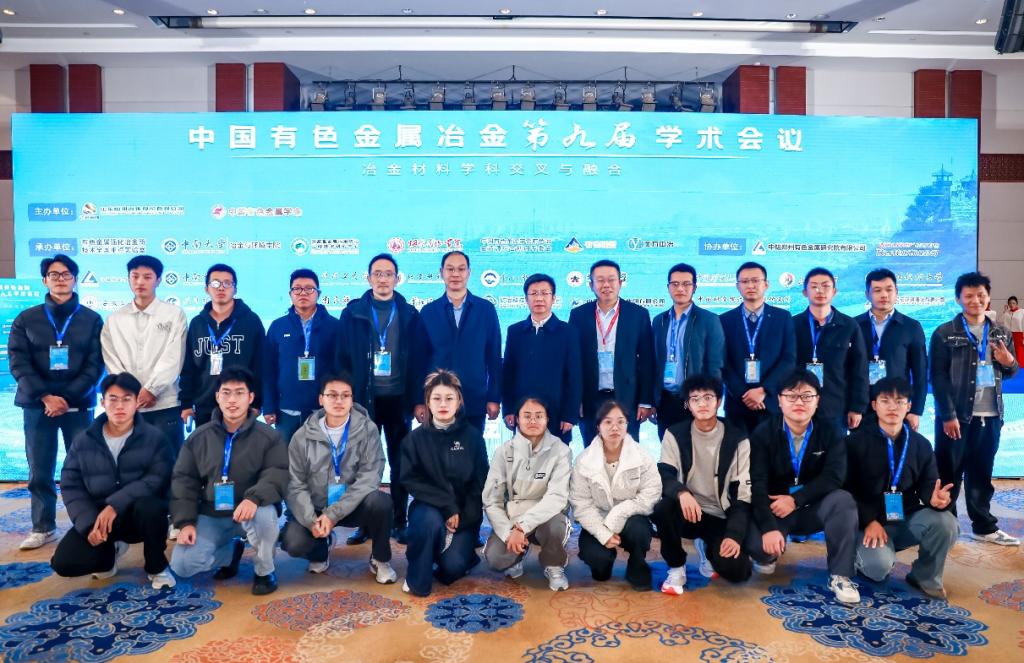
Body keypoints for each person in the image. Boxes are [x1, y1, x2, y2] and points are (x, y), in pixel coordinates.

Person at [7, 254, 103, 551]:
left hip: (78, 405)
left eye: (66, 274)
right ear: (44, 280)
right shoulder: (26, 319)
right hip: (38, 406)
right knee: (40, 468)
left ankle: (87, 524)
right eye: (54, 274)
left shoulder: (91, 319)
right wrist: (46, 396)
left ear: (75, 279)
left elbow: (95, 365)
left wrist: (67, 398)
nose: (60, 279)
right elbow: (18, 362)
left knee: (86, 467)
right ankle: (43, 526)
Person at [169, 366, 288, 595]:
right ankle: (231, 553)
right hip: (213, 514)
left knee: (265, 518)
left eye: (239, 393)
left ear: (250, 397)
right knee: (182, 565)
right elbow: (184, 481)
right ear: (217, 397)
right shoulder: (198, 438)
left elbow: (277, 473)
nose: (232, 400)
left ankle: (264, 571)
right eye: (226, 393)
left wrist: (254, 498)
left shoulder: (269, 436)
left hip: (253, 511)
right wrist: (185, 522)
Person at [50, 373, 176, 589]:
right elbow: (72, 486)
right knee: (64, 563)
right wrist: (89, 525)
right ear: (102, 402)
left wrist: (115, 505)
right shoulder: (84, 441)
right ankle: (109, 554)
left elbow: (157, 478)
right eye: (113, 399)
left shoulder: (155, 438)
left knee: (152, 507)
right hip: (100, 517)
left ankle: (156, 567)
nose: (119, 406)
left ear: (137, 402)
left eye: (127, 399)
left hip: (138, 515)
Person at [745, 370, 860, 604]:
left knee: (843, 500)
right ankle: (768, 555)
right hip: (776, 509)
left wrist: (796, 499)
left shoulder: (830, 431)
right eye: (791, 396)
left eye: (807, 396)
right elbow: (757, 483)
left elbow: (834, 476)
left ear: (817, 400)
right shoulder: (763, 433)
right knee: (760, 547)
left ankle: (841, 575)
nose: (799, 402)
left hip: (811, 508)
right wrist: (768, 527)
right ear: (779, 400)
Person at [336, 253, 426, 546]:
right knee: (363, 464)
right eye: (377, 273)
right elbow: (342, 358)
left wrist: (418, 400)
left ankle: (399, 521)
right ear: (368, 278)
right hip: (365, 400)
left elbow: (418, 361)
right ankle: (365, 522)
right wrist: (346, 398)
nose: (383, 279)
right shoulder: (352, 313)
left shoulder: (410, 314)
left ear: (397, 279)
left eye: (388, 274)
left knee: (401, 463)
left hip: (399, 399)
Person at [847, 377, 959, 599]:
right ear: (874, 405)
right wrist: (869, 520)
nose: (892, 407)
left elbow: (929, 482)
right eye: (885, 400)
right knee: (878, 569)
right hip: (866, 524)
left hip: (904, 518)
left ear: (909, 406)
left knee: (946, 523)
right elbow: (845, 489)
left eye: (899, 401)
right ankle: (856, 555)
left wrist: (934, 498)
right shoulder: (855, 443)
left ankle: (925, 576)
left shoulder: (920, 444)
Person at [930, 271, 1020, 546]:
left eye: (981, 295)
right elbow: (938, 377)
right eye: (968, 295)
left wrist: (1008, 361)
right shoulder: (945, 333)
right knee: (949, 472)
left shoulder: (1001, 332)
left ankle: (983, 527)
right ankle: (946, 528)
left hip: (991, 415)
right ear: (958, 298)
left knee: (981, 473)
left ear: (988, 297)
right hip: (955, 417)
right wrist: (948, 415)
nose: (975, 300)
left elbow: (1010, 372)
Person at [282, 373, 396, 582]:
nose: (339, 401)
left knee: (381, 502)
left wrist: (334, 514)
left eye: (345, 395)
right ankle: (321, 549)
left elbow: (369, 478)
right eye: (332, 395)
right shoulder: (302, 436)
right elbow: (295, 484)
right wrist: (310, 521)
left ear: (352, 400)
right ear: (321, 399)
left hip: (354, 506)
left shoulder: (368, 430)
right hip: (317, 509)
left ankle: (380, 559)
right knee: (293, 541)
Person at [653, 375, 752, 595]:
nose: (702, 404)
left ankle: (707, 547)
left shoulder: (738, 439)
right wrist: (681, 493)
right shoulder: (674, 434)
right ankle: (676, 567)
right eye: (695, 399)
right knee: (662, 509)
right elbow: (665, 474)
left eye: (708, 397)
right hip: (689, 511)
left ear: (719, 401)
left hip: (720, 515)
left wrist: (734, 535)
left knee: (738, 571)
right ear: (687, 405)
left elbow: (742, 494)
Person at [400, 370, 489, 597]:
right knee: (427, 523)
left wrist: (463, 518)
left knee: (452, 568)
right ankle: (417, 579)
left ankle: (460, 554)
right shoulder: (414, 439)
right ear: (428, 402)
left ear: (459, 402)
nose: (443, 404)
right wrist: (447, 506)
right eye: (436, 398)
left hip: (464, 514)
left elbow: (480, 483)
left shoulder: (473, 437)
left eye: (449, 398)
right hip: (429, 507)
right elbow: (410, 479)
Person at [482, 396, 572, 591]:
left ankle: (554, 563)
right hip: (514, 516)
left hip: (547, 515)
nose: (533, 421)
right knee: (495, 559)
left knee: (556, 525)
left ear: (547, 419)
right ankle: (518, 554)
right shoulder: (503, 452)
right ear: (517, 419)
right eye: (527, 415)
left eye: (539, 416)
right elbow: (492, 500)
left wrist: (522, 527)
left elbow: (557, 497)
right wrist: (508, 533)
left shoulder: (561, 450)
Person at [569, 400, 661, 591]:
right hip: (598, 520)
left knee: (640, 530)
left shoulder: (642, 456)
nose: (615, 427)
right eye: (608, 422)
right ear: (598, 427)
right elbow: (581, 504)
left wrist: (620, 512)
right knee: (598, 566)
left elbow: (651, 493)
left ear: (627, 425)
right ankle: (604, 561)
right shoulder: (584, 460)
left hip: (631, 517)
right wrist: (603, 533)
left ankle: (637, 563)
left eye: (620, 421)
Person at [100, 255, 187, 455]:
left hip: (165, 404)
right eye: (135, 276)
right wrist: (130, 392)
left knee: (170, 461)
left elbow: (174, 357)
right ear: (128, 279)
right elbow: (111, 360)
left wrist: (152, 389)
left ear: (158, 280)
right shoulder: (114, 319)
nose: (140, 282)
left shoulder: (174, 314)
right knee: (131, 462)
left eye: (147, 277)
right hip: (128, 407)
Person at [569, 260, 655, 444]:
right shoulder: (578, 315)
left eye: (611, 279)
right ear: (591, 285)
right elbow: (573, 362)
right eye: (600, 280)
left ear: (620, 283)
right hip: (591, 398)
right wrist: (575, 399)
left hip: (627, 397)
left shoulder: (638, 314)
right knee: (592, 450)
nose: (606, 285)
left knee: (627, 451)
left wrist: (645, 401)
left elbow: (647, 361)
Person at [419, 250, 502, 434]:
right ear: (441, 273)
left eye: (461, 269)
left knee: (472, 450)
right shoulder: (428, 312)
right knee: (436, 451)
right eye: (450, 269)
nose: (455, 274)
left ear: (469, 273)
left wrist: (494, 397)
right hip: (437, 401)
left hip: (474, 399)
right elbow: (420, 361)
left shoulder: (485, 310)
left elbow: (494, 357)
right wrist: (419, 401)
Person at [179, 263, 266, 428]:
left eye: (227, 283)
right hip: (204, 404)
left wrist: (257, 402)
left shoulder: (251, 321)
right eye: (215, 283)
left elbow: (260, 365)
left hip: (241, 403)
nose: (221, 288)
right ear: (207, 289)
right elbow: (189, 366)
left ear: (235, 289)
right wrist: (186, 403)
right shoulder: (197, 323)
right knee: (206, 445)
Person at [263, 269, 340, 446]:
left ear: (318, 293)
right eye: (297, 289)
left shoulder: (334, 327)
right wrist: (268, 406)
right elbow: (269, 370)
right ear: (290, 294)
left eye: (309, 288)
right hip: (286, 411)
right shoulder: (278, 326)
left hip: (322, 410)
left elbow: (340, 369)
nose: (303, 293)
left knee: (321, 459)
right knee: (284, 459)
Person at [503, 274, 582, 444]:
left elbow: (574, 377)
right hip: (523, 413)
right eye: (534, 293)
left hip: (557, 414)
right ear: (526, 299)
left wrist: (570, 415)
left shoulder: (568, 332)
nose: (539, 298)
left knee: (556, 457)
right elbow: (508, 374)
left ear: (553, 298)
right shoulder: (515, 331)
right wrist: (508, 409)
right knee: (523, 456)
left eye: (545, 293)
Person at [720, 262, 795, 435]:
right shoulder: (724, 320)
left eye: (755, 280)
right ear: (737, 286)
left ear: (766, 284)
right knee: (737, 451)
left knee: (771, 451)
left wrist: (764, 390)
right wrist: (743, 393)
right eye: (745, 281)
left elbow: (789, 359)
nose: (750, 285)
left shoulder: (782, 318)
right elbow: (722, 362)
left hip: (771, 402)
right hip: (737, 404)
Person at [651, 262, 725, 436]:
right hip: (665, 400)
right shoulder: (659, 321)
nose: (680, 289)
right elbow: (652, 363)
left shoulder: (709, 320)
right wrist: (652, 400)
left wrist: (710, 399)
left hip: (696, 399)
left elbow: (715, 364)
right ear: (668, 287)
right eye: (675, 284)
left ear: (694, 288)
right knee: (668, 446)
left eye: (686, 284)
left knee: (696, 448)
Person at [793, 267, 869, 434]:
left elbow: (859, 370)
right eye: (814, 286)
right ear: (805, 292)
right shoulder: (792, 325)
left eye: (826, 286)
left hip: (835, 408)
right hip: (798, 407)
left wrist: (857, 407)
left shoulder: (849, 326)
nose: (820, 290)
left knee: (835, 450)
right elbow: (785, 366)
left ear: (834, 291)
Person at [853, 269, 927, 430]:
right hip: (861, 407)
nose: (884, 295)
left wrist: (916, 410)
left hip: (898, 406)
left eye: (889, 289)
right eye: (877, 290)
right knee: (861, 445)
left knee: (897, 446)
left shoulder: (911, 327)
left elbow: (920, 372)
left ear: (896, 292)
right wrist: (852, 407)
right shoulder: (854, 325)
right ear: (867, 294)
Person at [1000, 295, 1024, 364]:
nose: (1011, 305)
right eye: (1010, 303)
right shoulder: (1007, 313)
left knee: (1019, 353)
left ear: (1017, 304)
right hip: (1008, 335)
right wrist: (1004, 311)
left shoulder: (1022, 312)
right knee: (1009, 352)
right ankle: (1011, 367)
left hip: (1019, 335)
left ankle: (1020, 368)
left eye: (1013, 303)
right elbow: (1000, 321)